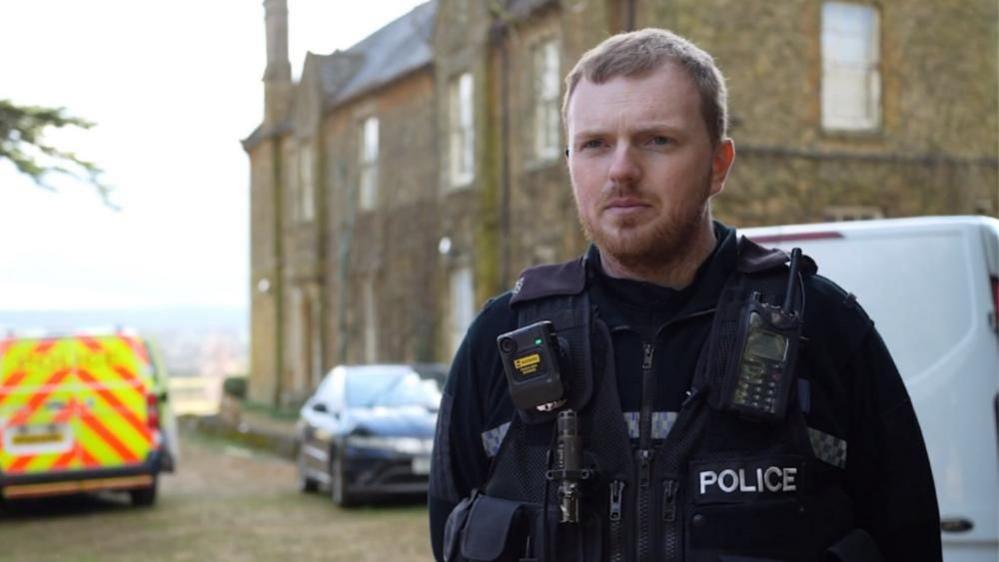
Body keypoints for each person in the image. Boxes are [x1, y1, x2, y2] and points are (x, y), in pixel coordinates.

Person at [429, 28, 941, 562]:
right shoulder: (502, 340)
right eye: (595, 144)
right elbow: (449, 531)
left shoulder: (824, 328)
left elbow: (910, 539)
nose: (621, 170)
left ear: (719, 165)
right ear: (571, 162)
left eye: (657, 140)